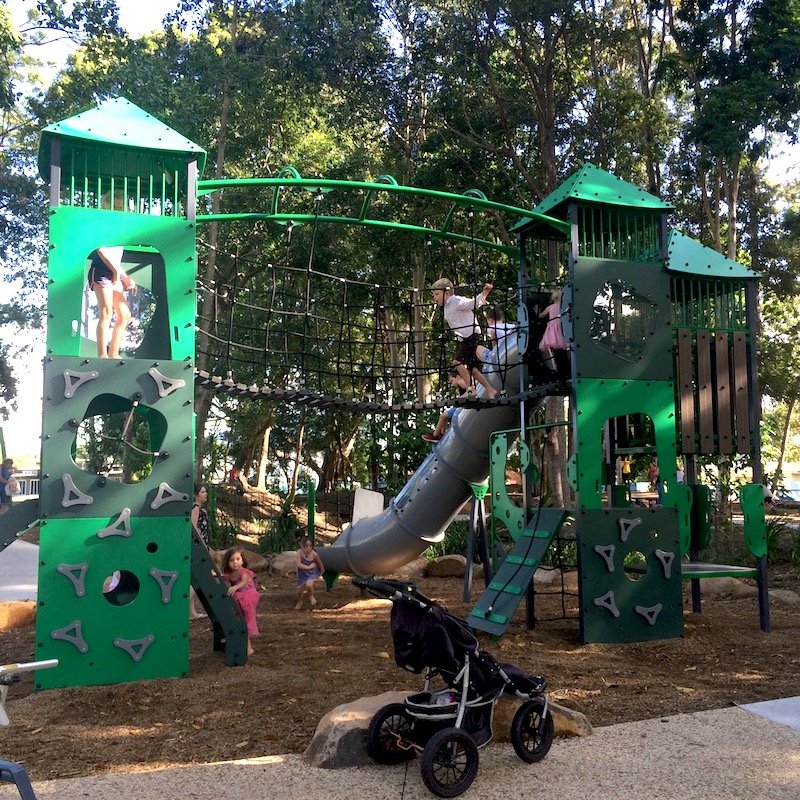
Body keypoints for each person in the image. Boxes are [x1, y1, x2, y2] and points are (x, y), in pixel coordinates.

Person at [430, 277, 498, 400]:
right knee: (473, 369)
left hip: (471, 335)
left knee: (457, 362)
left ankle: (470, 390)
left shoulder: (455, 301)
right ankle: (490, 390)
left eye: (437, 294)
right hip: (465, 337)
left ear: (447, 292)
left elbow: (472, 303)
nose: (435, 297)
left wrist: (484, 293)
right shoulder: (446, 307)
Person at [87, 246, 134, 359]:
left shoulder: (121, 240)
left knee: (124, 315)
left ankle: (113, 353)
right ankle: (102, 355)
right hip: (101, 271)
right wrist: (116, 272)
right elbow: (101, 250)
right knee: (106, 312)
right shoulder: (107, 231)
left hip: (113, 272)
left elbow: (115, 262)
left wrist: (126, 278)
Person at [221, 548, 260, 656]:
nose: (235, 562)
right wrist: (215, 574)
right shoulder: (231, 574)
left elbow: (244, 582)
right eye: (231, 560)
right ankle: (232, 634)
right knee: (238, 619)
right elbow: (224, 577)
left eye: (237, 559)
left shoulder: (243, 572)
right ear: (227, 563)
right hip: (241, 598)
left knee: (244, 622)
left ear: (242, 560)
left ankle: (248, 649)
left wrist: (235, 588)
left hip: (248, 596)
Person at [422, 371, 467, 442]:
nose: (452, 384)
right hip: (461, 404)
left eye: (452, 381)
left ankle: (435, 435)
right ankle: (442, 433)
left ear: (458, 377)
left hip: (463, 404)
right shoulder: (461, 383)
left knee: (443, 416)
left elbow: (470, 391)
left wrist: (459, 398)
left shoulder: (461, 382)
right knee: (445, 416)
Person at [189, 483, 210, 620]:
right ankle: (185, 605)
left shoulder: (202, 510)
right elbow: (194, 529)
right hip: (197, 548)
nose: (205, 494)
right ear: (196, 495)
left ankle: (192, 612)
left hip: (201, 546)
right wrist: (201, 546)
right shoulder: (195, 509)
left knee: (194, 580)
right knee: (198, 580)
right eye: (203, 492)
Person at [536, 288, 569, 371]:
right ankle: (566, 369)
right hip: (562, 330)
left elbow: (540, 316)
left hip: (553, 332)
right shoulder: (564, 307)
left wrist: (536, 310)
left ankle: (557, 368)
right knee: (564, 352)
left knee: (554, 353)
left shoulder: (550, 307)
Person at [295, 537, 324, 610]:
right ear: (302, 546)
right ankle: (299, 602)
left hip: (312, 573)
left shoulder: (314, 555)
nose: (309, 548)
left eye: (310, 546)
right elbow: (299, 564)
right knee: (299, 592)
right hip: (302, 574)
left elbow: (321, 566)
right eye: (306, 546)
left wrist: (319, 575)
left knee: (309, 584)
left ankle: (311, 596)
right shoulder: (299, 553)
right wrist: (308, 567)